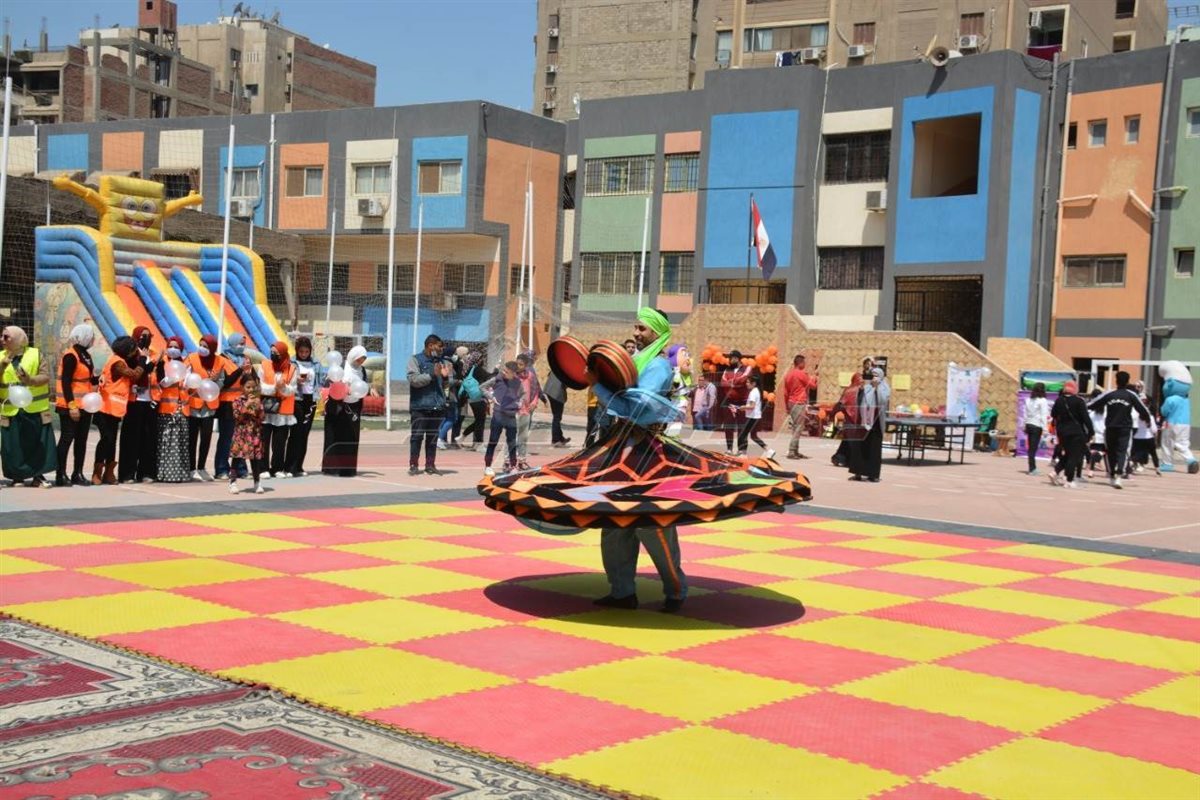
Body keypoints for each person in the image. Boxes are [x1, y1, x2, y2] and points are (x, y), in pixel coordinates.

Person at [593, 308, 689, 613]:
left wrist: (597, 386)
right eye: (635, 327)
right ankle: (622, 591)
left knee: (652, 525)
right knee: (614, 523)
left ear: (658, 333)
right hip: (621, 450)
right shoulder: (635, 362)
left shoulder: (657, 366)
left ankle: (675, 591)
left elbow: (639, 408)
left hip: (646, 455)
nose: (636, 333)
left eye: (643, 329)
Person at [0, 326, 56, 488]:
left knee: (37, 443)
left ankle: (38, 475)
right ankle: (17, 476)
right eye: (2, 336)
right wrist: (2, 366)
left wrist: (29, 379)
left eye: (6, 337)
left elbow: (45, 376)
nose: (2, 340)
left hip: (34, 408)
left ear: (18, 339)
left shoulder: (35, 354)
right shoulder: (1, 356)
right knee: (13, 445)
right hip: (10, 409)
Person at [93, 335, 148, 486]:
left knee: (112, 441)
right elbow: (135, 375)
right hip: (105, 408)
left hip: (114, 409)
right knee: (106, 440)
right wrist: (143, 359)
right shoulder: (117, 363)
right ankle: (97, 471)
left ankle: (109, 472)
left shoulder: (119, 360)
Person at [1088, 370, 1151, 489]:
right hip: (1125, 428)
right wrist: (1148, 420)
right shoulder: (1131, 395)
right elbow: (1143, 409)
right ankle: (1119, 475)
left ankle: (1112, 475)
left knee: (1111, 451)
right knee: (1123, 451)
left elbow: (1093, 404)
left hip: (1110, 427)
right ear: (1127, 382)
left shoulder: (1110, 394)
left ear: (1116, 381)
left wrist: (1082, 410)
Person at [54, 324, 99, 487]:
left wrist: (99, 378)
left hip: (85, 405)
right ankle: (60, 474)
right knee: (67, 439)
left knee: (81, 440)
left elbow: (87, 378)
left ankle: (77, 473)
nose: (93, 339)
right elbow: (66, 382)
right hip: (70, 406)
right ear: (84, 336)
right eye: (91, 336)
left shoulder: (86, 355)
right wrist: (72, 406)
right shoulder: (71, 355)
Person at [117, 326, 158, 484]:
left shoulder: (152, 354)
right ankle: (127, 473)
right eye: (142, 336)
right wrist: (144, 363)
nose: (145, 339)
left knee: (148, 438)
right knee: (131, 438)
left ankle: (146, 472)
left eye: (148, 336)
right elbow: (133, 374)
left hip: (150, 400)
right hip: (134, 400)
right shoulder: (130, 355)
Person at [322, 346, 367, 477]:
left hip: (354, 407)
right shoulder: (342, 366)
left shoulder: (362, 370)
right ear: (353, 356)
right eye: (359, 359)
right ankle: (332, 468)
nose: (360, 362)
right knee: (336, 436)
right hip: (339, 406)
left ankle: (348, 469)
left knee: (351, 438)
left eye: (363, 360)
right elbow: (329, 382)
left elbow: (362, 386)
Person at [407, 335, 449, 476]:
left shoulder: (441, 361)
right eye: (439, 346)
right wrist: (432, 375)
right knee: (417, 437)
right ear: (430, 345)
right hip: (420, 406)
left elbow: (445, 385)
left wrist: (445, 377)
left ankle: (430, 465)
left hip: (437, 406)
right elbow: (413, 380)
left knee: (432, 438)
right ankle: (413, 465)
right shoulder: (415, 359)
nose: (441, 349)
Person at [155, 337, 193, 483]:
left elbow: (188, 384)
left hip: (182, 409)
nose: (172, 349)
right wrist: (172, 377)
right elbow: (162, 383)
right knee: (166, 442)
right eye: (170, 346)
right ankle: (164, 473)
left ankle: (181, 474)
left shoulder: (186, 364)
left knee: (180, 442)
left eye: (176, 347)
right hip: (166, 409)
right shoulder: (163, 362)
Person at [214, 332, 251, 480]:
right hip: (227, 404)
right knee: (226, 437)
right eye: (240, 343)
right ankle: (222, 469)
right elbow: (225, 382)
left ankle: (240, 469)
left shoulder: (245, 359)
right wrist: (241, 369)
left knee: (241, 437)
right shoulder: (222, 359)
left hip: (243, 402)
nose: (242, 346)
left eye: (243, 344)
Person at [258, 341, 297, 478]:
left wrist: (283, 388)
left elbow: (293, 389)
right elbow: (259, 385)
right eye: (272, 352)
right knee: (263, 440)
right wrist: (274, 388)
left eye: (276, 353)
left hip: (283, 411)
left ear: (283, 354)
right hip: (266, 408)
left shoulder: (292, 369)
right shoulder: (264, 365)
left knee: (280, 442)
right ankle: (262, 469)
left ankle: (277, 468)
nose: (273, 355)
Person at [283, 336, 319, 477]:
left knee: (304, 434)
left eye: (306, 351)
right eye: (301, 351)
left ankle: (299, 466)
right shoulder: (292, 362)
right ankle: (289, 466)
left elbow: (320, 380)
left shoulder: (315, 363)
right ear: (297, 351)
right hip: (297, 399)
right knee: (295, 433)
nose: (304, 354)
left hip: (311, 400)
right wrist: (295, 380)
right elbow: (285, 378)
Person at [849, 365, 890, 483]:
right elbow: (859, 401)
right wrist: (860, 390)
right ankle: (858, 473)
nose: (874, 378)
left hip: (876, 422)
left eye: (877, 375)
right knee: (860, 447)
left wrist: (877, 389)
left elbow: (883, 401)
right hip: (864, 422)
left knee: (874, 449)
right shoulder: (867, 387)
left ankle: (873, 475)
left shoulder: (885, 388)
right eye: (873, 375)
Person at [1049, 380, 1093, 488]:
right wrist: (1091, 431)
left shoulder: (1059, 400)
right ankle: (1069, 480)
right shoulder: (1079, 401)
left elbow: (1053, 414)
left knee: (1068, 454)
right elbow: (1086, 418)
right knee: (1074, 456)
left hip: (1062, 432)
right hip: (1076, 432)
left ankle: (1055, 472)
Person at [483, 360, 522, 476]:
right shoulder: (497, 379)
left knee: (512, 442)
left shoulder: (517, 382)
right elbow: (482, 387)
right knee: (493, 440)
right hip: (498, 414)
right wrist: (491, 397)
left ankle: (513, 466)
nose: (503, 372)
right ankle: (488, 466)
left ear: (514, 373)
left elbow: (521, 394)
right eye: (503, 370)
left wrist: (519, 402)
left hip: (511, 415)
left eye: (506, 371)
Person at [229, 373, 266, 494]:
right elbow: (237, 417)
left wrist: (259, 407)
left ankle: (257, 482)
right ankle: (233, 482)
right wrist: (247, 404)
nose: (251, 390)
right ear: (242, 387)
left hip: (254, 433)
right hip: (241, 434)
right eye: (248, 387)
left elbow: (262, 418)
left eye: (253, 387)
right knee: (237, 458)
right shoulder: (237, 401)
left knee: (255, 460)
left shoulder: (258, 400)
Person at [457, 351, 494, 451]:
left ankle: (463, 437)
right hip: (479, 398)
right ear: (478, 360)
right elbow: (489, 377)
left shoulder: (468, 369)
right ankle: (479, 444)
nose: (483, 360)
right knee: (480, 422)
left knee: (478, 421)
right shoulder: (478, 369)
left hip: (471, 398)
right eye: (481, 358)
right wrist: (497, 371)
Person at [783, 354, 816, 460]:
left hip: (791, 402)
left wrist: (786, 406)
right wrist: (814, 378)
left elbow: (785, 392)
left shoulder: (788, 375)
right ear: (800, 363)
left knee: (796, 426)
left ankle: (795, 451)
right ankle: (792, 451)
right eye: (804, 363)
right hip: (799, 402)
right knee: (798, 427)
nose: (805, 365)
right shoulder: (801, 374)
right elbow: (813, 386)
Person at [720, 351, 752, 455]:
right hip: (730, 402)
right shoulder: (727, 370)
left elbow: (744, 379)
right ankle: (729, 449)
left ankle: (742, 449)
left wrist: (731, 382)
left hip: (743, 402)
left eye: (731, 358)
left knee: (742, 427)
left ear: (737, 358)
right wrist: (733, 383)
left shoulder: (747, 368)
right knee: (728, 427)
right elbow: (723, 383)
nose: (730, 360)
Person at [438, 346, 468, 450]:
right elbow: (449, 381)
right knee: (452, 418)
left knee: (445, 418)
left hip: (443, 393)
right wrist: (459, 382)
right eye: (454, 353)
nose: (455, 355)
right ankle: (439, 438)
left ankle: (439, 438)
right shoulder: (449, 364)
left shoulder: (441, 362)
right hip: (449, 394)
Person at [515, 352, 541, 470]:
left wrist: (534, 403)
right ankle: (508, 461)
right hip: (514, 410)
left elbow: (536, 391)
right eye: (517, 363)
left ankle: (521, 460)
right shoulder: (512, 376)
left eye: (521, 364)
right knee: (512, 436)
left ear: (526, 365)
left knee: (523, 437)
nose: (518, 366)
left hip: (526, 410)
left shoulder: (530, 376)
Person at [832, 373, 864, 468]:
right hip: (852, 419)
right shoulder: (854, 390)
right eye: (860, 380)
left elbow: (841, 404)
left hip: (853, 418)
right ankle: (849, 460)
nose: (862, 381)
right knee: (851, 440)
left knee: (847, 440)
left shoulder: (851, 390)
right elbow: (841, 404)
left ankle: (839, 458)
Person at [739, 375, 772, 457]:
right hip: (755, 416)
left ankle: (743, 453)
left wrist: (743, 407)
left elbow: (752, 406)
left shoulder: (753, 392)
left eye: (748, 382)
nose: (746, 384)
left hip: (752, 417)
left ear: (753, 383)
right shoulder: (757, 391)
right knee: (753, 436)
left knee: (743, 434)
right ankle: (768, 450)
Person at [1024, 382, 1050, 476]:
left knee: (1031, 447)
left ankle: (1031, 467)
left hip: (1029, 424)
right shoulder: (1043, 400)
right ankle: (1032, 468)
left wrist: (1024, 425)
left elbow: (1025, 414)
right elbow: (1043, 415)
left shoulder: (1028, 400)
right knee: (1033, 448)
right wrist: (1045, 429)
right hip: (1037, 425)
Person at [1129, 398, 1160, 476]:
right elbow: (1154, 429)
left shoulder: (1135, 416)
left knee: (1135, 453)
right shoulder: (1150, 416)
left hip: (1137, 437)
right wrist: (1155, 433)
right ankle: (1157, 469)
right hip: (1149, 437)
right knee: (1153, 453)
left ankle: (1131, 463)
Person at [543, 370, 571, 447]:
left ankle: (560, 438)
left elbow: (549, 375)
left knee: (556, 416)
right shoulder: (565, 369)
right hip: (557, 394)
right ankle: (555, 439)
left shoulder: (557, 366)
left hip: (550, 391)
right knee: (557, 417)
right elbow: (568, 383)